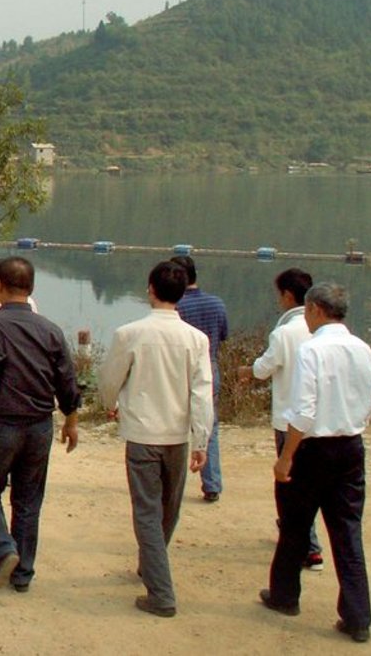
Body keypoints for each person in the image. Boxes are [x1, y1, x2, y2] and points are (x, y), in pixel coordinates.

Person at [0, 257, 79, 593]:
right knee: (27, 501)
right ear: (32, 288)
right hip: (39, 426)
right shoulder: (51, 330)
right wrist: (71, 420)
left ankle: (3, 548)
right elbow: (67, 381)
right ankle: (22, 574)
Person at [260, 282, 371, 644]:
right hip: (351, 446)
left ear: (314, 310)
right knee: (347, 532)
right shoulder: (363, 350)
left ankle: (284, 595)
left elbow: (304, 411)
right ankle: (358, 616)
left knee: (295, 525)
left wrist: (286, 456)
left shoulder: (313, 350)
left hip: (314, 449)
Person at [98, 260, 214, 618]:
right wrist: (201, 441)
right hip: (178, 436)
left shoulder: (130, 333)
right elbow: (202, 393)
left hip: (142, 433)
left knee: (147, 510)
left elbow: (109, 379)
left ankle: (160, 591)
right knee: (168, 507)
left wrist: (111, 403)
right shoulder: (196, 339)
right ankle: (153, 563)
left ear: (150, 289)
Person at [236, 268, 322, 571]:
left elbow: (264, 368)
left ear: (287, 295)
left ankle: (307, 546)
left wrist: (245, 371)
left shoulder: (286, 331)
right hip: (318, 422)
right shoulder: (321, 327)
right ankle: (307, 542)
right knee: (308, 484)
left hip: (288, 419)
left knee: (290, 485)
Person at [170, 255, 228, 503]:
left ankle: (170, 481)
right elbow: (223, 336)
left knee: (172, 428)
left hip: (180, 370)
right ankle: (211, 483)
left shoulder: (176, 308)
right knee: (208, 426)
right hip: (210, 367)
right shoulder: (216, 303)